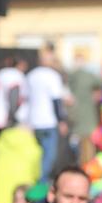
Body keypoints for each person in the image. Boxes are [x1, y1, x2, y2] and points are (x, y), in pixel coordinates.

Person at [23, 46, 70, 184]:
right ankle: (39, 187)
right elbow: (56, 101)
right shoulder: (52, 76)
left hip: (33, 122)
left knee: (37, 157)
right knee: (49, 158)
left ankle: (33, 183)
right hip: (48, 122)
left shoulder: (31, 75)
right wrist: (62, 120)